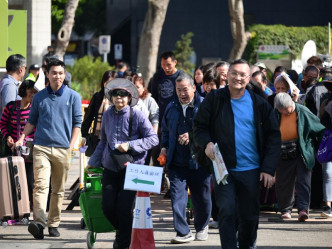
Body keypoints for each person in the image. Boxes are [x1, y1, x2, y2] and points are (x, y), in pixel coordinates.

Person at [193, 59, 281, 249]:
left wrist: (268, 168)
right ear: (227, 75)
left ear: (248, 78)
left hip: (251, 169)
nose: (238, 78)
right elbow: (199, 127)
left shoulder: (260, 104)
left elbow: (274, 137)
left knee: (249, 217)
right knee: (227, 211)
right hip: (223, 168)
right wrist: (206, 143)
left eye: (242, 74)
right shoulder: (215, 99)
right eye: (234, 73)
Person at [86, 78, 158, 249]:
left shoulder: (138, 115)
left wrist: (130, 145)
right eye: (115, 95)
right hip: (110, 167)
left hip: (132, 168)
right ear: (111, 97)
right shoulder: (108, 114)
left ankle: (123, 243)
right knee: (108, 207)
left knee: (124, 208)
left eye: (123, 95)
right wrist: (92, 161)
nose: (119, 98)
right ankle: (123, 231)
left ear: (129, 97)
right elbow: (103, 141)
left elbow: (153, 139)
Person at [15, 59, 82, 240]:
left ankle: (54, 223)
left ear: (64, 74)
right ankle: (39, 223)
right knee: (41, 185)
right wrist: (22, 137)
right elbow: (31, 121)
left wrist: (71, 145)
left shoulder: (74, 97)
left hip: (63, 149)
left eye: (60, 73)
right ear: (48, 74)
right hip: (41, 147)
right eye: (54, 73)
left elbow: (77, 123)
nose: (57, 76)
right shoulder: (39, 97)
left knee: (58, 189)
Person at [160, 72, 211, 244]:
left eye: (185, 89)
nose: (182, 93)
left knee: (201, 198)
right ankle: (182, 232)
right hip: (176, 162)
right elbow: (165, 131)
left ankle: (202, 226)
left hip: (200, 162)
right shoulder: (170, 106)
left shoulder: (204, 106)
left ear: (194, 88)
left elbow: (211, 131)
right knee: (177, 198)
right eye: (178, 89)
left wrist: (192, 136)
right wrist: (164, 149)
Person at [274, 93, 325, 221]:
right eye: (282, 110)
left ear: (292, 103)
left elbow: (320, 128)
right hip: (282, 151)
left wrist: (321, 146)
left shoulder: (302, 111)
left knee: (304, 182)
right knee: (283, 182)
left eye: (287, 109)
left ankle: (303, 209)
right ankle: (286, 210)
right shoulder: (276, 113)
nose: (285, 112)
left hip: (301, 151)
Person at [0, 79, 37, 209]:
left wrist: (28, 141)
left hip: (30, 152)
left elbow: (37, 128)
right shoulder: (11, 106)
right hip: (13, 151)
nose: (33, 94)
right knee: (15, 180)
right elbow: (3, 124)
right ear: (23, 91)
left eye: (35, 92)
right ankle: (17, 206)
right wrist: (8, 136)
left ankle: (30, 207)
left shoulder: (35, 108)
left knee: (30, 181)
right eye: (30, 91)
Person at [150, 51, 182, 165]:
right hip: (159, 119)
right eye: (163, 65)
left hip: (176, 118)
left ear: (175, 62)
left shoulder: (181, 77)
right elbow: (153, 98)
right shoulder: (157, 76)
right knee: (157, 150)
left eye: (168, 64)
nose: (166, 68)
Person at [81, 70, 117, 155]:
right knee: (96, 166)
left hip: (114, 139)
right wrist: (84, 135)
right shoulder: (98, 97)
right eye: (107, 82)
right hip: (97, 138)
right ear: (103, 83)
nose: (109, 85)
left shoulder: (119, 98)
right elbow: (88, 117)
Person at [319, 75, 332, 217]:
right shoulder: (327, 103)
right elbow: (322, 121)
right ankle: (327, 205)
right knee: (327, 172)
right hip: (329, 140)